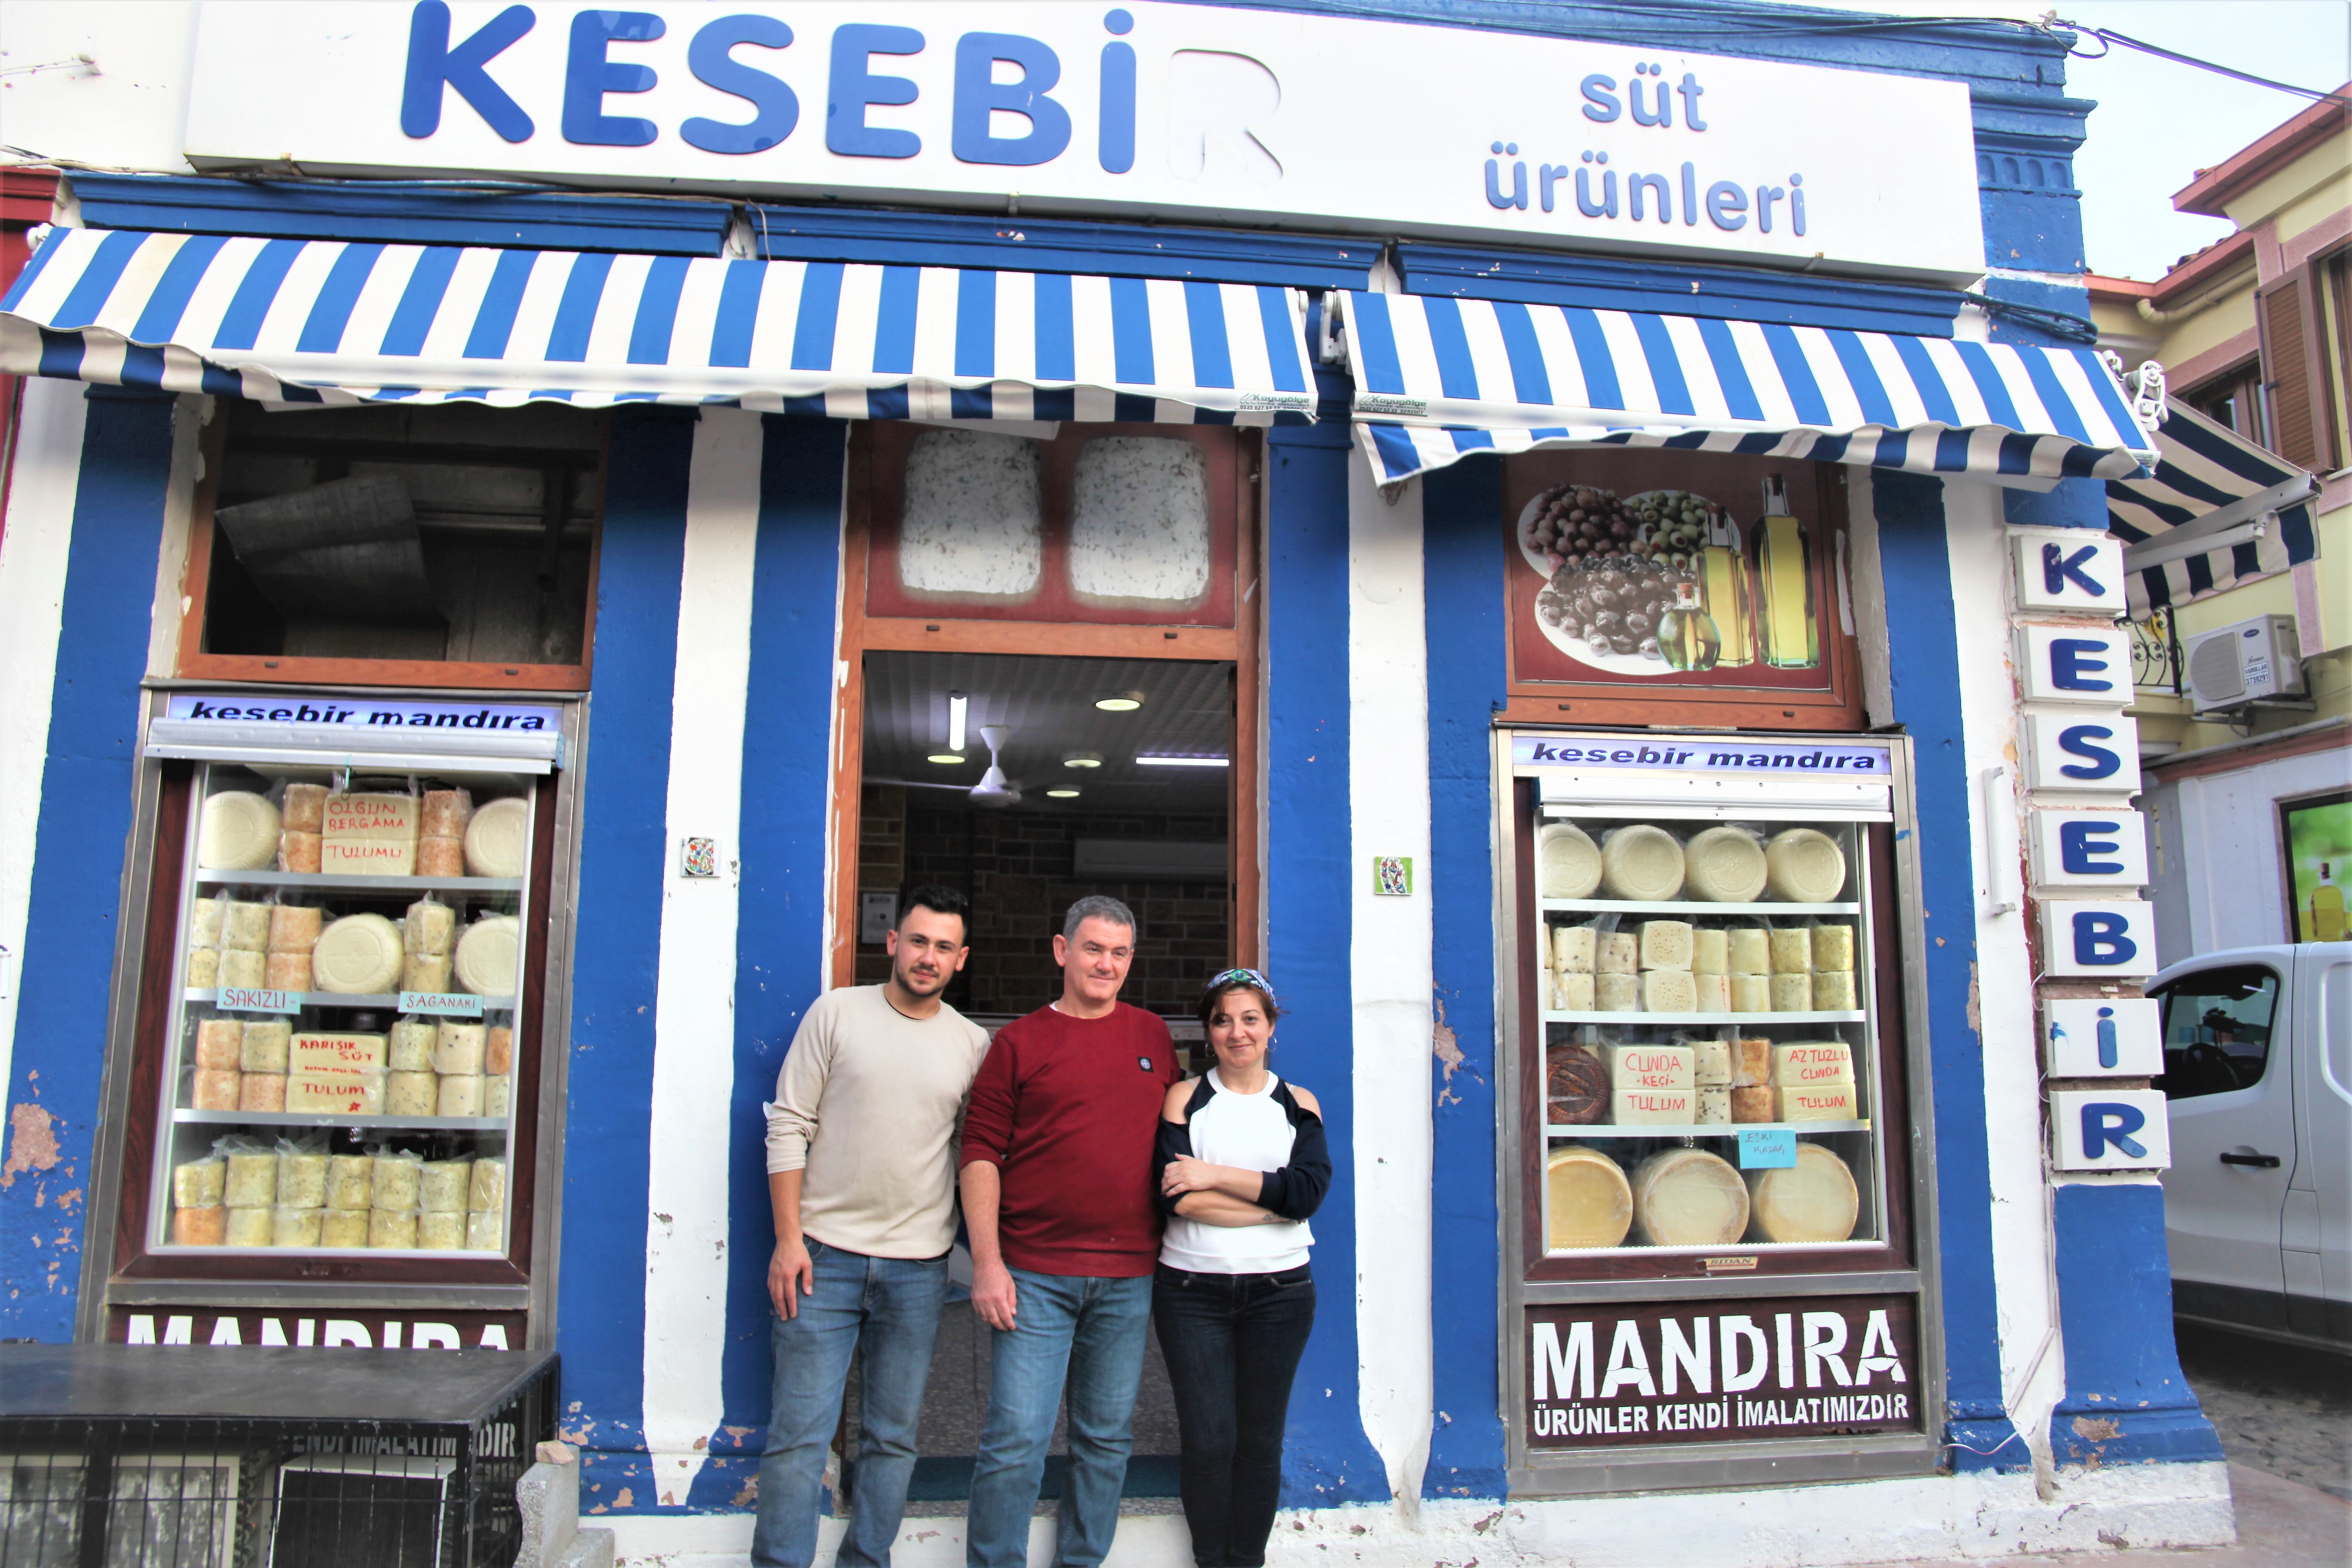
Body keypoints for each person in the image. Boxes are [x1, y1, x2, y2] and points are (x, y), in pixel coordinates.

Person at [754, 885, 990, 1568]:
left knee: (892, 1438)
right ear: (892, 942)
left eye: (943, 947)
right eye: (918, 941)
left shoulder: (971, 1044)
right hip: (820, 1259)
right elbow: (788, 1126)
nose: (928, 957)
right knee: (799, 1438)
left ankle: (866, 1560)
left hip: (919, 1269)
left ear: (961, 959)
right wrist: (788, 1240)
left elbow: (971, 1153)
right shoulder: (836, 1013)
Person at [958, 895, 1180, 1568]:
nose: (1105, 964)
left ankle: (1082, 1560)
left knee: (1105, 1440)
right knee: (1015, 1441)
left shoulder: (1152, 1037)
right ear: (1062, 951)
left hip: (1128, 1276)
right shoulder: (1018, 1043)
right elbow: (979, 1153)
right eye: (1093, 949)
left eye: (1119, 953)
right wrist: (987, 1264)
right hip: (1032, 1275)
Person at [1151, 968, 1328, 1568]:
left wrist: (1212, 1175)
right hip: (1190, 1292)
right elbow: (1177, 1199)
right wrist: (1273, 1207)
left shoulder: (1299, 1104)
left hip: (1281, 1295)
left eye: (1250, 1019)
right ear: (1209, 1031)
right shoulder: (1184, 1098)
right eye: (1223, 1020)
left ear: (1271, 1027)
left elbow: (1307, 1193)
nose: (1237, 1032)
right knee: (1207, 1442)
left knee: (1259, 1443)